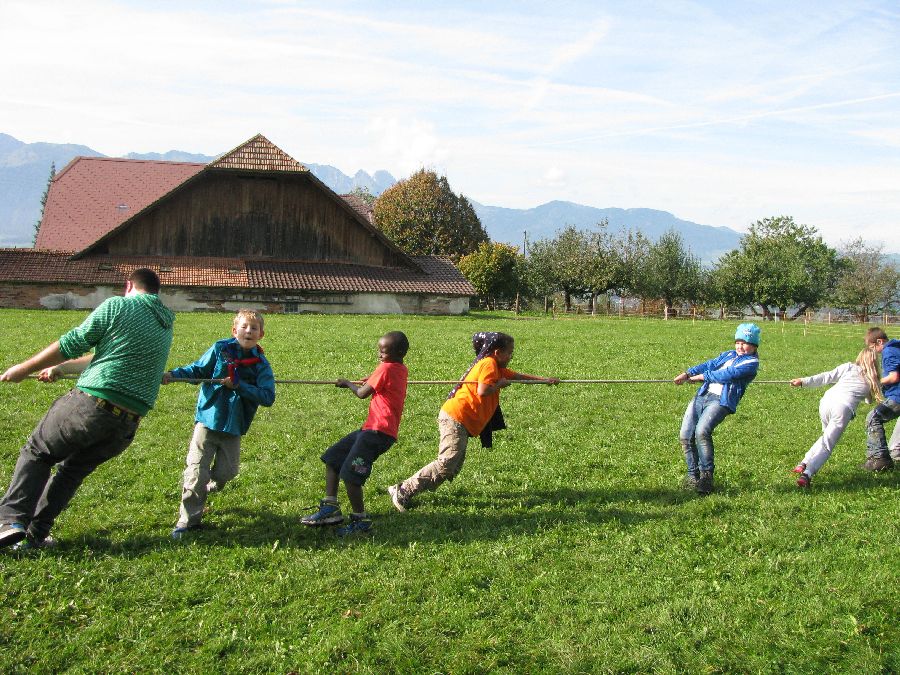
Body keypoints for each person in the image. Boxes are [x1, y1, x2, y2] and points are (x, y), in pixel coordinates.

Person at [0, 268, 175, 550]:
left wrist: (24, 368)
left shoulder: (118, 305)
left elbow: (73, 342)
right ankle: (35, 535)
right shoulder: (164, 323)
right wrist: (60, 368)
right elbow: (107, 354)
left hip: (92, 406)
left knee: (38, 452)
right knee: (71, 473)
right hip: (126, 424)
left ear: (128, 285)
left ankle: (9, 521)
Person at [388, 331, 558, 511]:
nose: (511, 356)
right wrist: (498, 385)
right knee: (447, 462)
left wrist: (545, 380)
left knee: (452, 466)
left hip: (460, 419)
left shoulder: (496, 366)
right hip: (456, 417)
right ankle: (403, 490)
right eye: (509, 352)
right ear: (497, 352)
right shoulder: (489, 364)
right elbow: (483, 391)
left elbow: (517, 376)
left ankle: (407, 489)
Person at [164, 309, 275, 539]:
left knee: (228, 472)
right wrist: (174, 375)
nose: (248, 331)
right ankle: (187, 522)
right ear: (234, 330)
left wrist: (240, 386)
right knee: (196, 471)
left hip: (234, 425)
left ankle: (210, 485)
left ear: (261, 335)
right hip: (209, 418)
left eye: (254, 328)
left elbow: (267, 397)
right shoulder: (220, 349)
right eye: (244, 327)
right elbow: (198, 369)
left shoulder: (261, 364)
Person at [301, 331, 409, 536]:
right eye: (379, 350)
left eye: (384, 351)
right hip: (372, 429)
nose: (379, 354)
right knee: (333, 458)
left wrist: (347, 384)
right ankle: (330, 508)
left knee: (351, 475)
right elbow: (383, 383)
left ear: (399, 353)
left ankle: (361, 520)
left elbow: (361, 393)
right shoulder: (400, 368)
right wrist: (371, 380)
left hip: (378, 432)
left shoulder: (385, 368)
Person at [674, 323, 760, 495]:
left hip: (720, 401)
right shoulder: (728, 354)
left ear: (754, 345)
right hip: (702, 395)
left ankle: (706, 478)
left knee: (702, 432)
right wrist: (688, 373)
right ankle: (692, 476)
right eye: (738, 342)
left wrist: (701, 377)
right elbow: (710, 364)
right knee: (685, 435)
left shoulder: (751, 363)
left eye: (745, 343)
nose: (740, 346)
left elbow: (727, 374)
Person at [790, 346, 882, 488]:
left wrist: (803, 381)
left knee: (825, 437)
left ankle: (803, 463)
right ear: (874, 362)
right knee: (827, 444)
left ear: (860, 357)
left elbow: (826, 377)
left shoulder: (848, 367)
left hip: (826, 401)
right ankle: (807, 474)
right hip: (842, 408)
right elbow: (869, 401)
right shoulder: (872, 380)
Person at [862, 327, 900, 472]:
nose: (874, 352)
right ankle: (894, 456)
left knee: (873, 417)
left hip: (898, 395)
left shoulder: (888, 351)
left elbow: (894, 376)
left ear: (879, 341)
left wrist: (875, 382)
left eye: (873, 347)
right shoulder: (896, 347)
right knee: (895, 449)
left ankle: (880, 459)